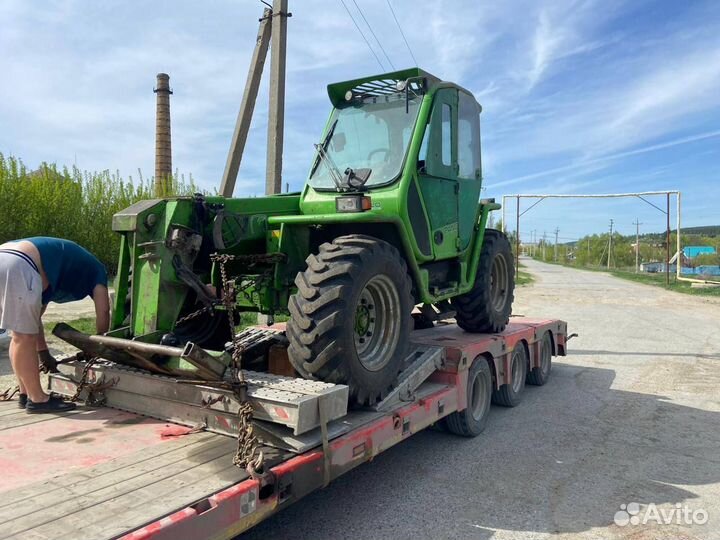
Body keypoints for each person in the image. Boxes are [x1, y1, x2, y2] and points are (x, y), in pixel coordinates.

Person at [0, 237, 110, 413]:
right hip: (20, 262)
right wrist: (99, 346)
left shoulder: (56, 269)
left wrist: (43, 353)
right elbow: (103, 311)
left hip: (5, 255)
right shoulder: (97, 269)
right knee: (23, 336)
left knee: (18, 334)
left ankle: (26, 393)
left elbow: (35, 320)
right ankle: (38, 400)